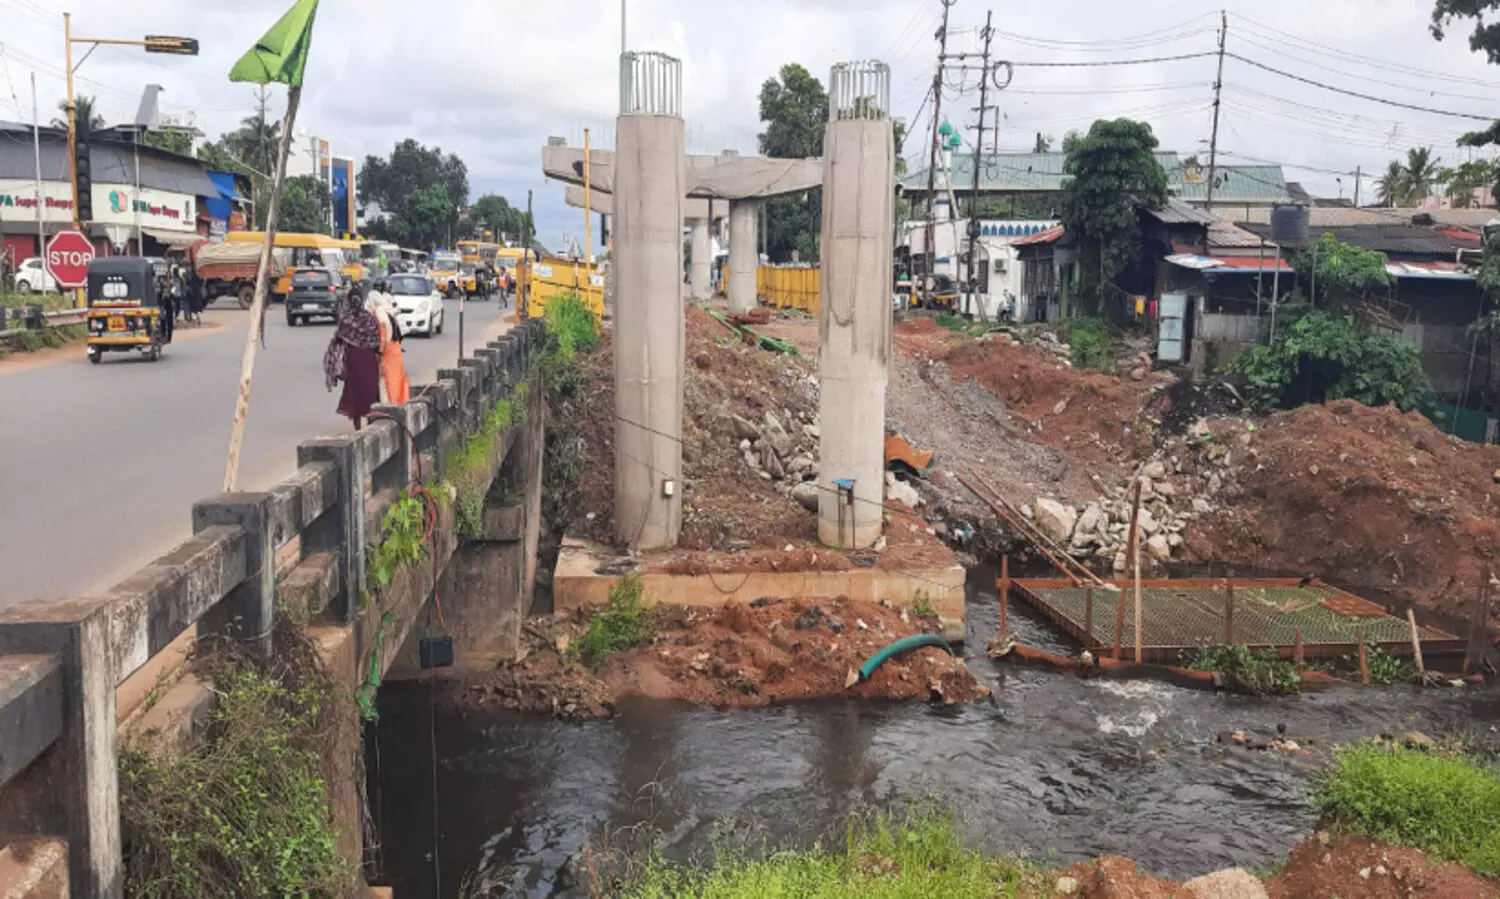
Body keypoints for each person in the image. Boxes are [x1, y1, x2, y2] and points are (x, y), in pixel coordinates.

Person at [324, 291, 382, 430]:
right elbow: (376, 341)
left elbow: (338, 338)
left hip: (353, 359)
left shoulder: (346, 319)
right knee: (370, 390)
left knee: (354, 391)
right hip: (369, 359)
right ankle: (371, 423)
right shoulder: (369, 319)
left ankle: (357, 426)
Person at [365, 279, 409, 405]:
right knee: (396, 379)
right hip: (395, 348)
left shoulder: (379, 311)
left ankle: (388, 408)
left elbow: (383, 333)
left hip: (387, 351)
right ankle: (398, 405)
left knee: (385, 381)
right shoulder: (387, 309)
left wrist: (379, 353)